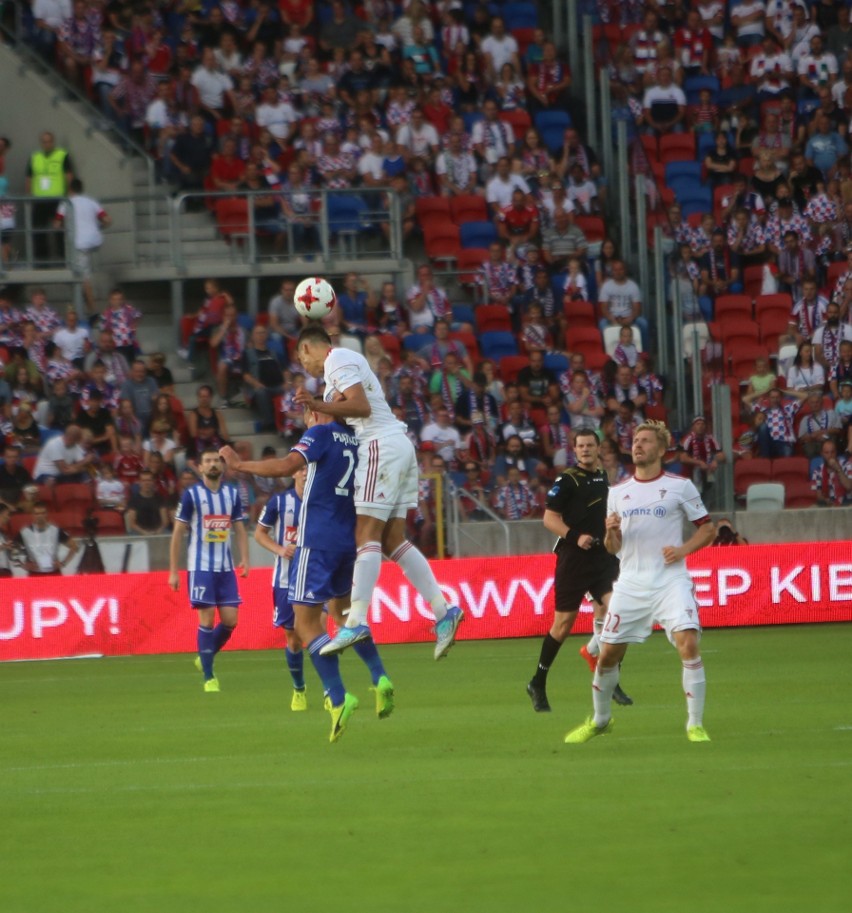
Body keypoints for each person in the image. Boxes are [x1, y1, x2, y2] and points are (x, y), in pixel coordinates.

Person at [285, 323, 464, 658]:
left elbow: (361, 406)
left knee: (365, 534)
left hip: (380, 445)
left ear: (308, 349)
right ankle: (444, 611)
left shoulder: (337, 358)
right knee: (392, 540)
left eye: (301, 358)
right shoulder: (337, 375)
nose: (303, 367)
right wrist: (314, 407)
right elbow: (338, 415)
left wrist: (320, 404)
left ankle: (354, 621)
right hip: (399, 445)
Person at [222, 408, 394, 742]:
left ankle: (338, 696)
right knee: (343, 615)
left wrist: (239, 465)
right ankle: (379, 676)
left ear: (318, 410)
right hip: (348, 541)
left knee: (305, 625)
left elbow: (287, 465)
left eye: (305, 411)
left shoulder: (320, 434)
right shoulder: (357, 441)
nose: (303, 418)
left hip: (316, 542)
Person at [564, 421, 716, 745]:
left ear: (661, 449)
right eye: (635, 440)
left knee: (688, 643)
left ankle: (695, 724)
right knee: (607, 656)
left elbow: (708, 529)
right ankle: (601, 721)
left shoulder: (680, 487)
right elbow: (612, 549)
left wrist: (682, 550)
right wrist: (612, 532)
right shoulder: (617, 493)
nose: (638, 445)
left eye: (645, 441)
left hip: (670, 580)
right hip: (631, 583)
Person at [527, 430, 632, 712]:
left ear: (599, 448)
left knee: (619, 614)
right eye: (581, 446)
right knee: (562, 626)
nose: (585, 449)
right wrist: (575, 536)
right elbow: (549, 518)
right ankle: (538, 682)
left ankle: (609, 678)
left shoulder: (603, 477)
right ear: (574, 450)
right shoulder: (567, 479)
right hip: (574, 557)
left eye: (590, 445)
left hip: (602, 558)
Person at [168, 448, 250, 693]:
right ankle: (209, 676)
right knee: (206, 619)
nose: (213, 464)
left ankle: (204, 655)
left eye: (216, 460)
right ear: (200, 468)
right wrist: (174, 571)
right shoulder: (191, 495)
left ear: (222, 466)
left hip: (225, 569)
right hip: (200, 567)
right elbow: (178, 533)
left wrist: (245, 558)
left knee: (230, 621)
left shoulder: (231, 494)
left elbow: (240, 528)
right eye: (208, 461)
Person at [255, 468, 308, 711]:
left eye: (311, 468)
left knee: (317, 632)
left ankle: (333, 690)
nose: (307, 473)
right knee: (293, 639)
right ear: (295, 473)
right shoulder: (279, 501)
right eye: (303, 468)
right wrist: (279, 550)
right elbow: (259, 533)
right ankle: (299, 689)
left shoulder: (323, 500)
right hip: (285, 579)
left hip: (314, 578)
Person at [54, 179, 111, 315]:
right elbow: (108, 220)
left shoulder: (66, 203)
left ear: (71, 189)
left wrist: (66, 228)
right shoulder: (91, 201)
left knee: (84, 279)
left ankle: (93, 311)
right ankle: (83, 305)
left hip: (79, 244)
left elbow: (56, 224)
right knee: (81, 274)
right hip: (95, 240)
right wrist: (98, 228)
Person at [16, 501, 79, 576]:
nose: (40, 516)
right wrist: (23, 564)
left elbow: (74, 546)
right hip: (34, 573)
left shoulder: (55, 530)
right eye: (37, 513)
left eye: (43, 513)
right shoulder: (25, 532)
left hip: (54, 572)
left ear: (47, 513)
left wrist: (63, 563)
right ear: (32, 515)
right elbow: (12, 549)